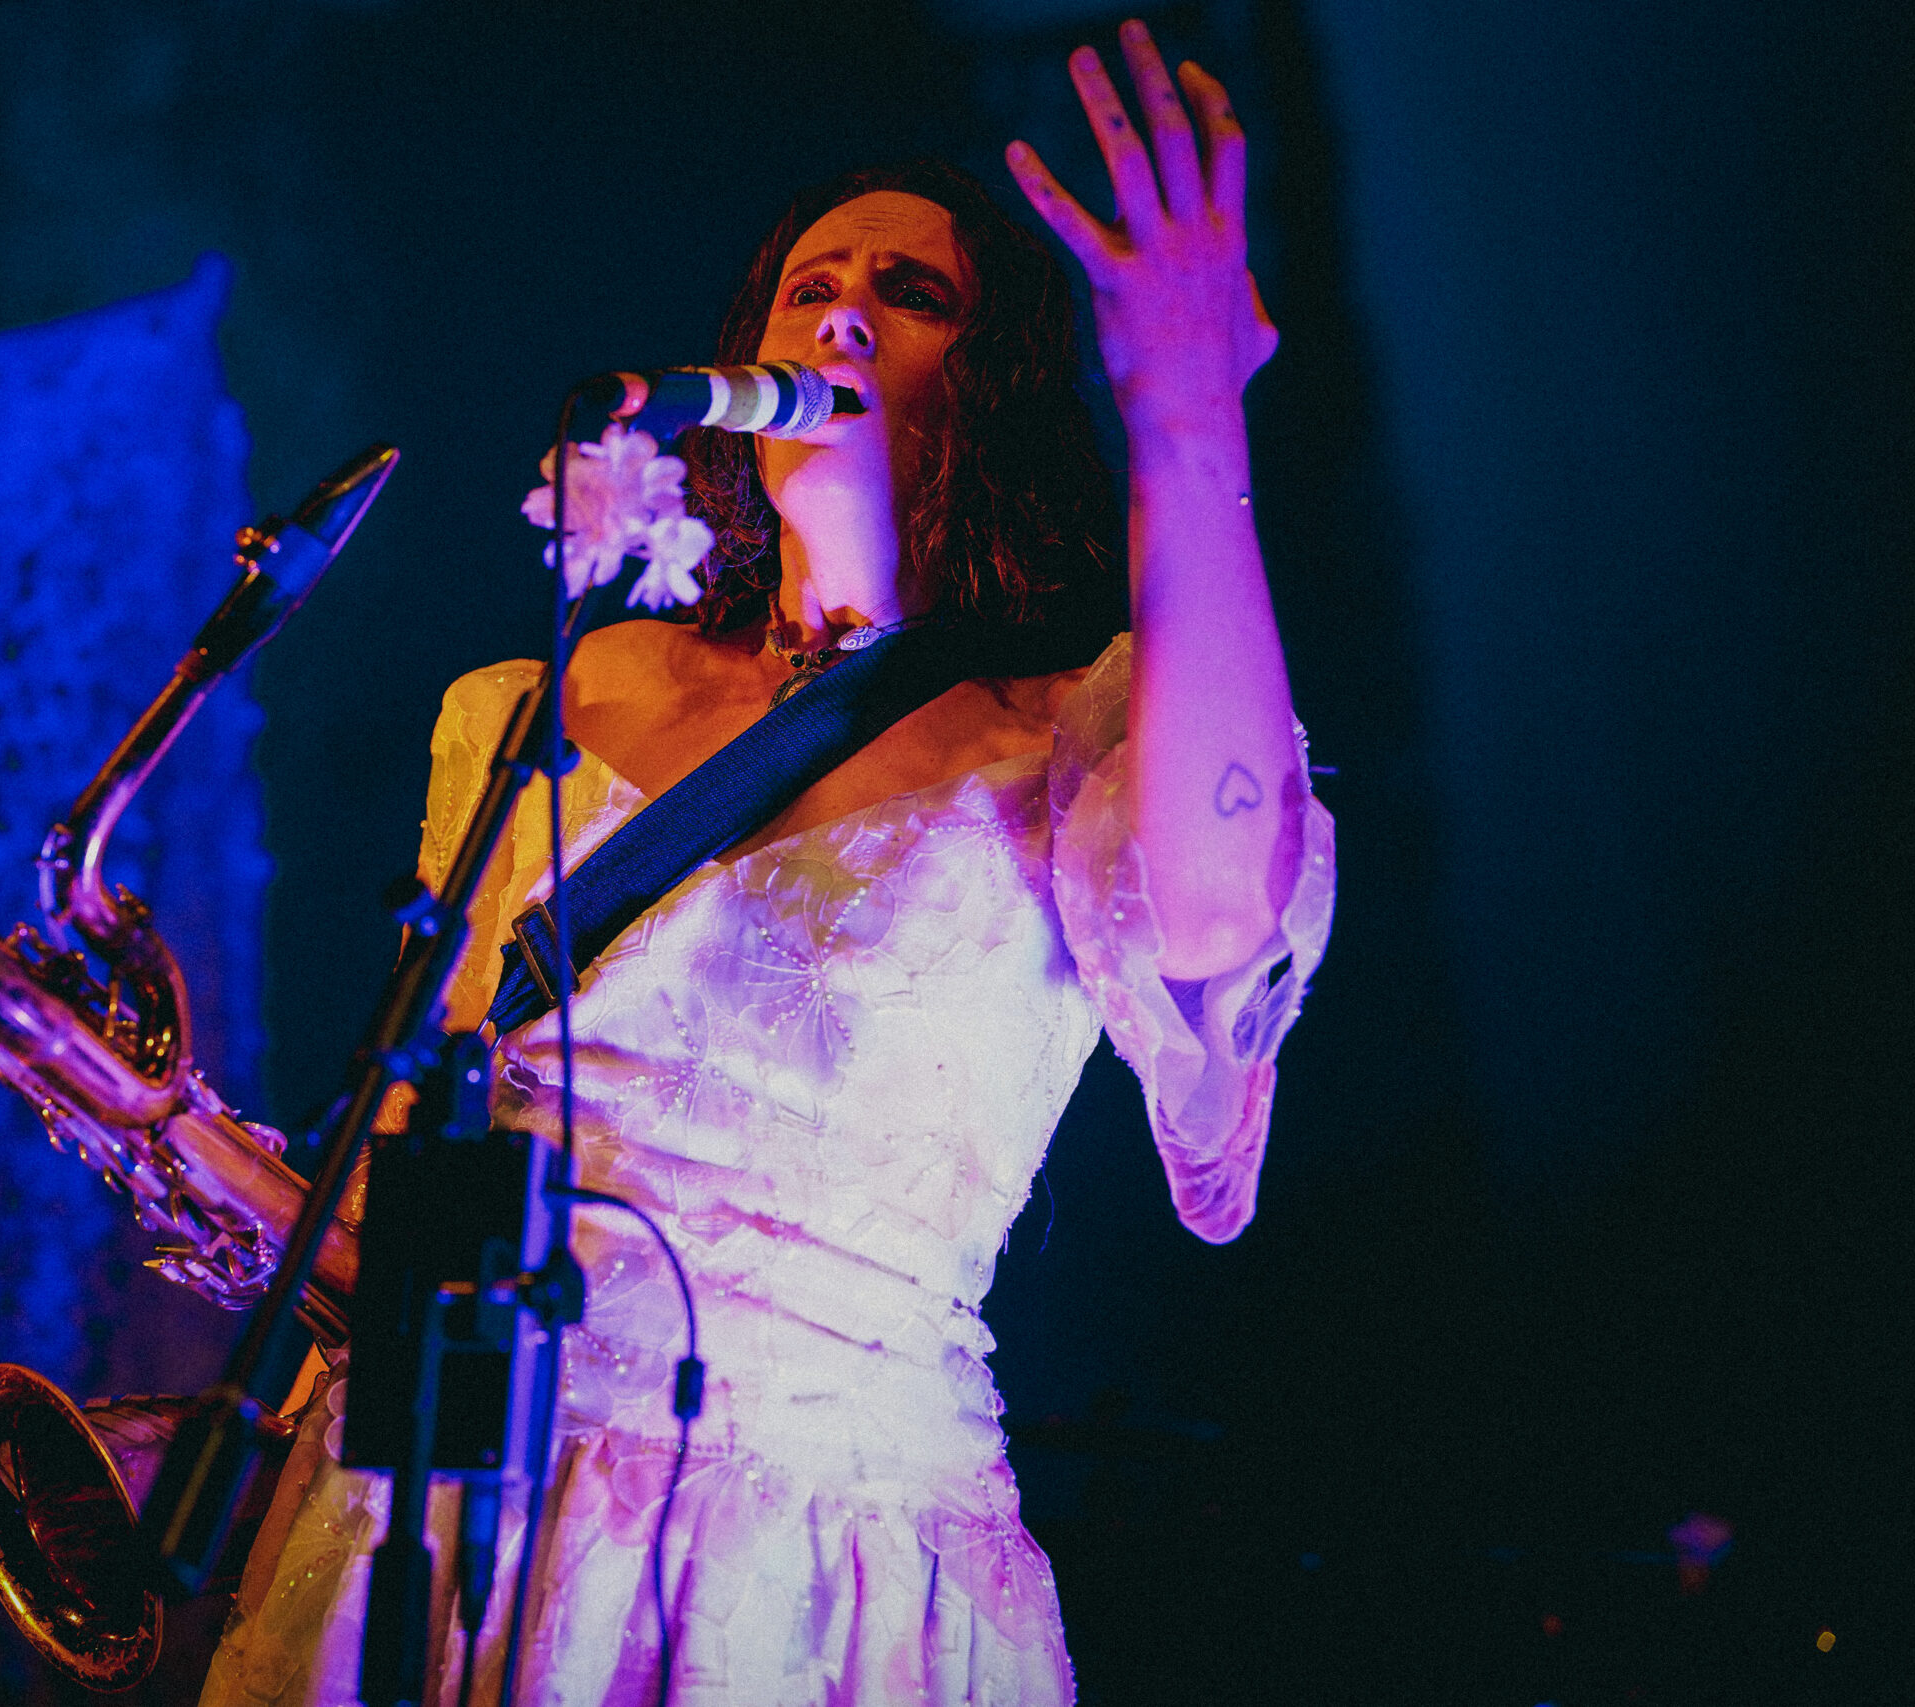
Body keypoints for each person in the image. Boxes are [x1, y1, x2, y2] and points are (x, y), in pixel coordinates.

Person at [202, 19, 1334, 1705]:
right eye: (811, 284)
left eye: (913, 294)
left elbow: (1226, 910)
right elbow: (425, 1147)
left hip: (810, 1564)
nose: (843, 312)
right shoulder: (550, 693)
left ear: (998, 385)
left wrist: (1189, 419)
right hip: (442, 1502)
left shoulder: (1069, 732)